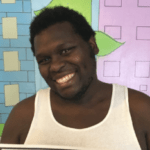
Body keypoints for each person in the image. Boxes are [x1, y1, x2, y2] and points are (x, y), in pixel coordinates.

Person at [1, 6, 150, 150]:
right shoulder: (25, 115)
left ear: (92, 45)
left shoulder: (140, 109)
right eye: (44, 60)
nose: (55, 66)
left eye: (65, 51)